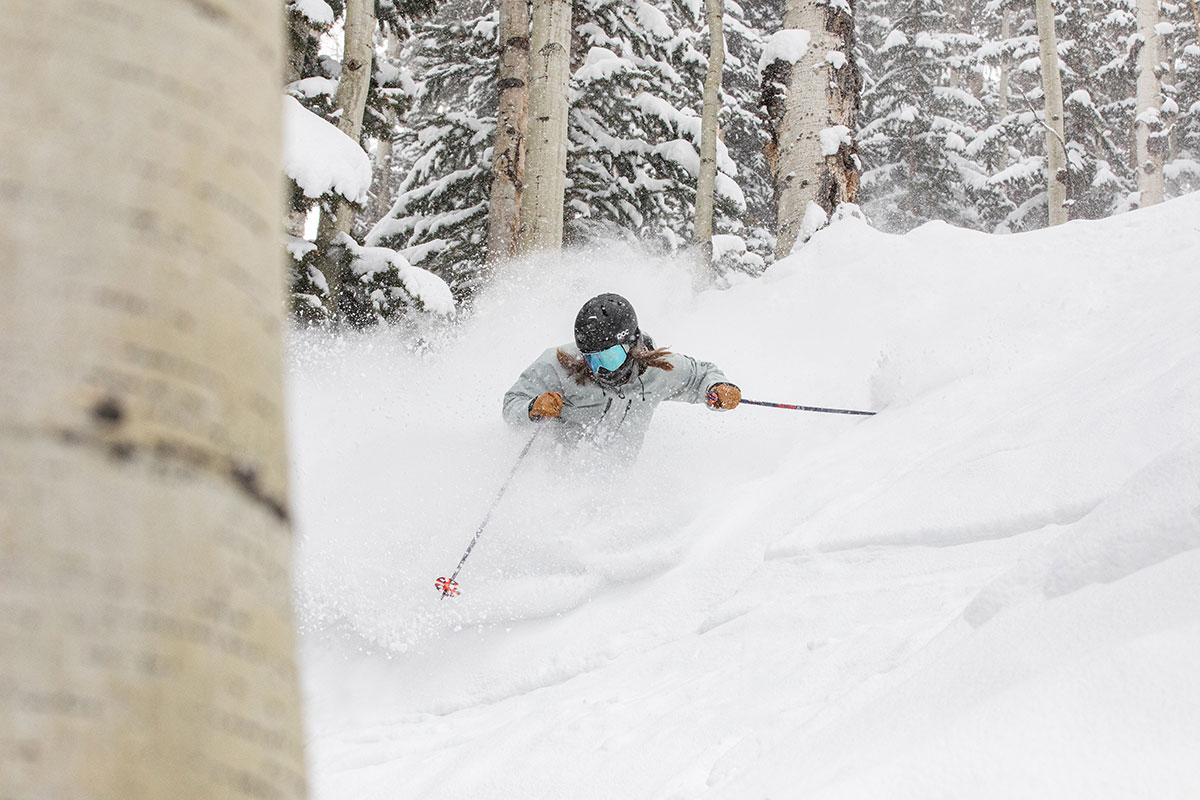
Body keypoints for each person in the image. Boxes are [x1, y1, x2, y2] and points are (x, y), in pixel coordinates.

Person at [502, 293, 740, 458]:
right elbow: (512, 403)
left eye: (609, 358)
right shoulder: (557, 366)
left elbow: (700, 376)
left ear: (631, 346)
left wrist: (717, 389)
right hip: (555, 483)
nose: (600, 370)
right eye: (591, 358)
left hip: (616, 493)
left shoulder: (658, 371)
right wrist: (533, 408)